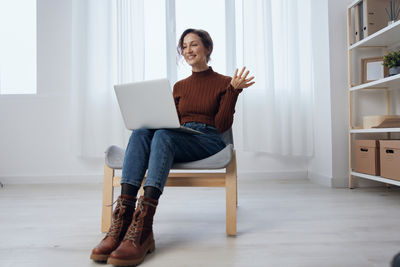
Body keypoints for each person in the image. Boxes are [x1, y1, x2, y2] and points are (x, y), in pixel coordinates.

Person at [90, 28, 255, 266]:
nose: (188, 50)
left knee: (163, 136)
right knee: (141, 131)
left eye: (194, 45)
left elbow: (221, 126)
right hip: (179, 135)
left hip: (208, 139)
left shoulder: (225, 83)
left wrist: (233, 92)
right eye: (184, 46)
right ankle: (123, 220)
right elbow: (171, 121)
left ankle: (144, 225)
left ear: (207, 48)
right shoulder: (179, 86)